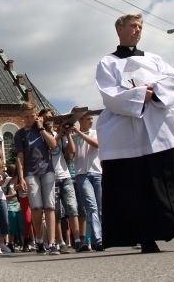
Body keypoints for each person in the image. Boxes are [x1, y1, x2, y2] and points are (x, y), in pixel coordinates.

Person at [95, 13, 174, 253]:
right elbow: (110, 95)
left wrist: (153, 89)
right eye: (133, 26)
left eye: (140, 26)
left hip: (163, 128)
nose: (138, 30)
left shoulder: (154, 59)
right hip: (129, 133)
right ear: (119, 30)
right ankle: (146, 236)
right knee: (138, 185)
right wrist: (140, 95)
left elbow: (171, 81)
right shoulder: (107, 63)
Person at [15, 101, 58, 255]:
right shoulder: (19, 134)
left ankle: (52, 243)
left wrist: (40, 128)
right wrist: (21, 177)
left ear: (36, 115)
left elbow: (53, 145)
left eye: (32, 116)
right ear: (22, 116)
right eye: (26, 117)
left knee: (50, 206)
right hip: (30, 173)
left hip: (47, 170)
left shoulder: (43, 128)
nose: (29, 119)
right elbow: (20, 157)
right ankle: (39, 240)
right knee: (37, 208)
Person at [47, 114, 84, 253]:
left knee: (72, 208)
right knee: (55, 212)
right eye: (48, 119)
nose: (51, 121)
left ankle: (78, 241)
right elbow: (48, 148)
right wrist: (58, 136)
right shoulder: (42, 135)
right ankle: (60, 242)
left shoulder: (59, 134)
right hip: (51, 177)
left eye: (52, 119)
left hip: (65, 176)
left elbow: (70, 154)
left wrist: (67, 135)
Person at [71, 108, 103, 251]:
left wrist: (78, 133)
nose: (91, 121)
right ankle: (98, 239)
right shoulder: (73, 136)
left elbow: (96, 144)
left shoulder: (97, 133)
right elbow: (70, 153)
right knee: (91, 207)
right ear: (80, 120)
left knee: (100, 208)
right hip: (82, 175)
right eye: (88, 119)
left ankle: (101, 236)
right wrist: (69, 132)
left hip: (97, 173)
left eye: (92, 119)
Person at [4, 164, 23, 253]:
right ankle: (10, 243)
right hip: (10, 206)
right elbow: (4, 196)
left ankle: (23, 243)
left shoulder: (19, 179)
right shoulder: (7, 183)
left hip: (19, 205)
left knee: (21, 224)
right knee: (12, 226)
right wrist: (14, 195)